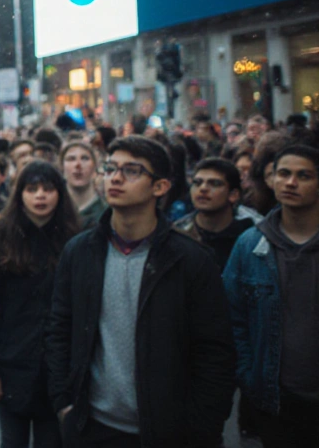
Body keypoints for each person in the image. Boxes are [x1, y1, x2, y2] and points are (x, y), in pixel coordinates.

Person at [45, 136, 235, 447]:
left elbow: (214, 354)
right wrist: (64, 404)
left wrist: (202, 428)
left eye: (132, 171)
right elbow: (59, 330)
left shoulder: (189, 260)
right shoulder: (80, 252)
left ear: (160, 187)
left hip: (167, 432)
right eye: (110, 168)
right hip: (92, 427)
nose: (116, 178)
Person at [224, 145, 319, 447]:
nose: (291, 183)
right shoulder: (249, 245)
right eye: (284, 174)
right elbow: (232, 317)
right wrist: (248, 374)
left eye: (303, 176)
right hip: (274, 397)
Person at [0, 162, 80, 448]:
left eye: (48, 189)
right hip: (12, 362)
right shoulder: (2, 236)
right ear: (21, 194)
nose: (40, 196)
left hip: (56, 368)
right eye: (32, 189)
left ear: (59, 193)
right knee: (12, 442)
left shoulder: (74, 239)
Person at [173, 158, 256, 270]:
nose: (203, 188)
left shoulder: (250, 237)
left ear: (233, 195)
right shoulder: (178, 234)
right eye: (197, 183)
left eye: (215, 184)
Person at [61, 142, 105, 229]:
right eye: (71, 159)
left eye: (85, 158)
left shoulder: (107, 212)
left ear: (95, 166)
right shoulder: (53, 210)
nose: (78, 165)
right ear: (62, 167)